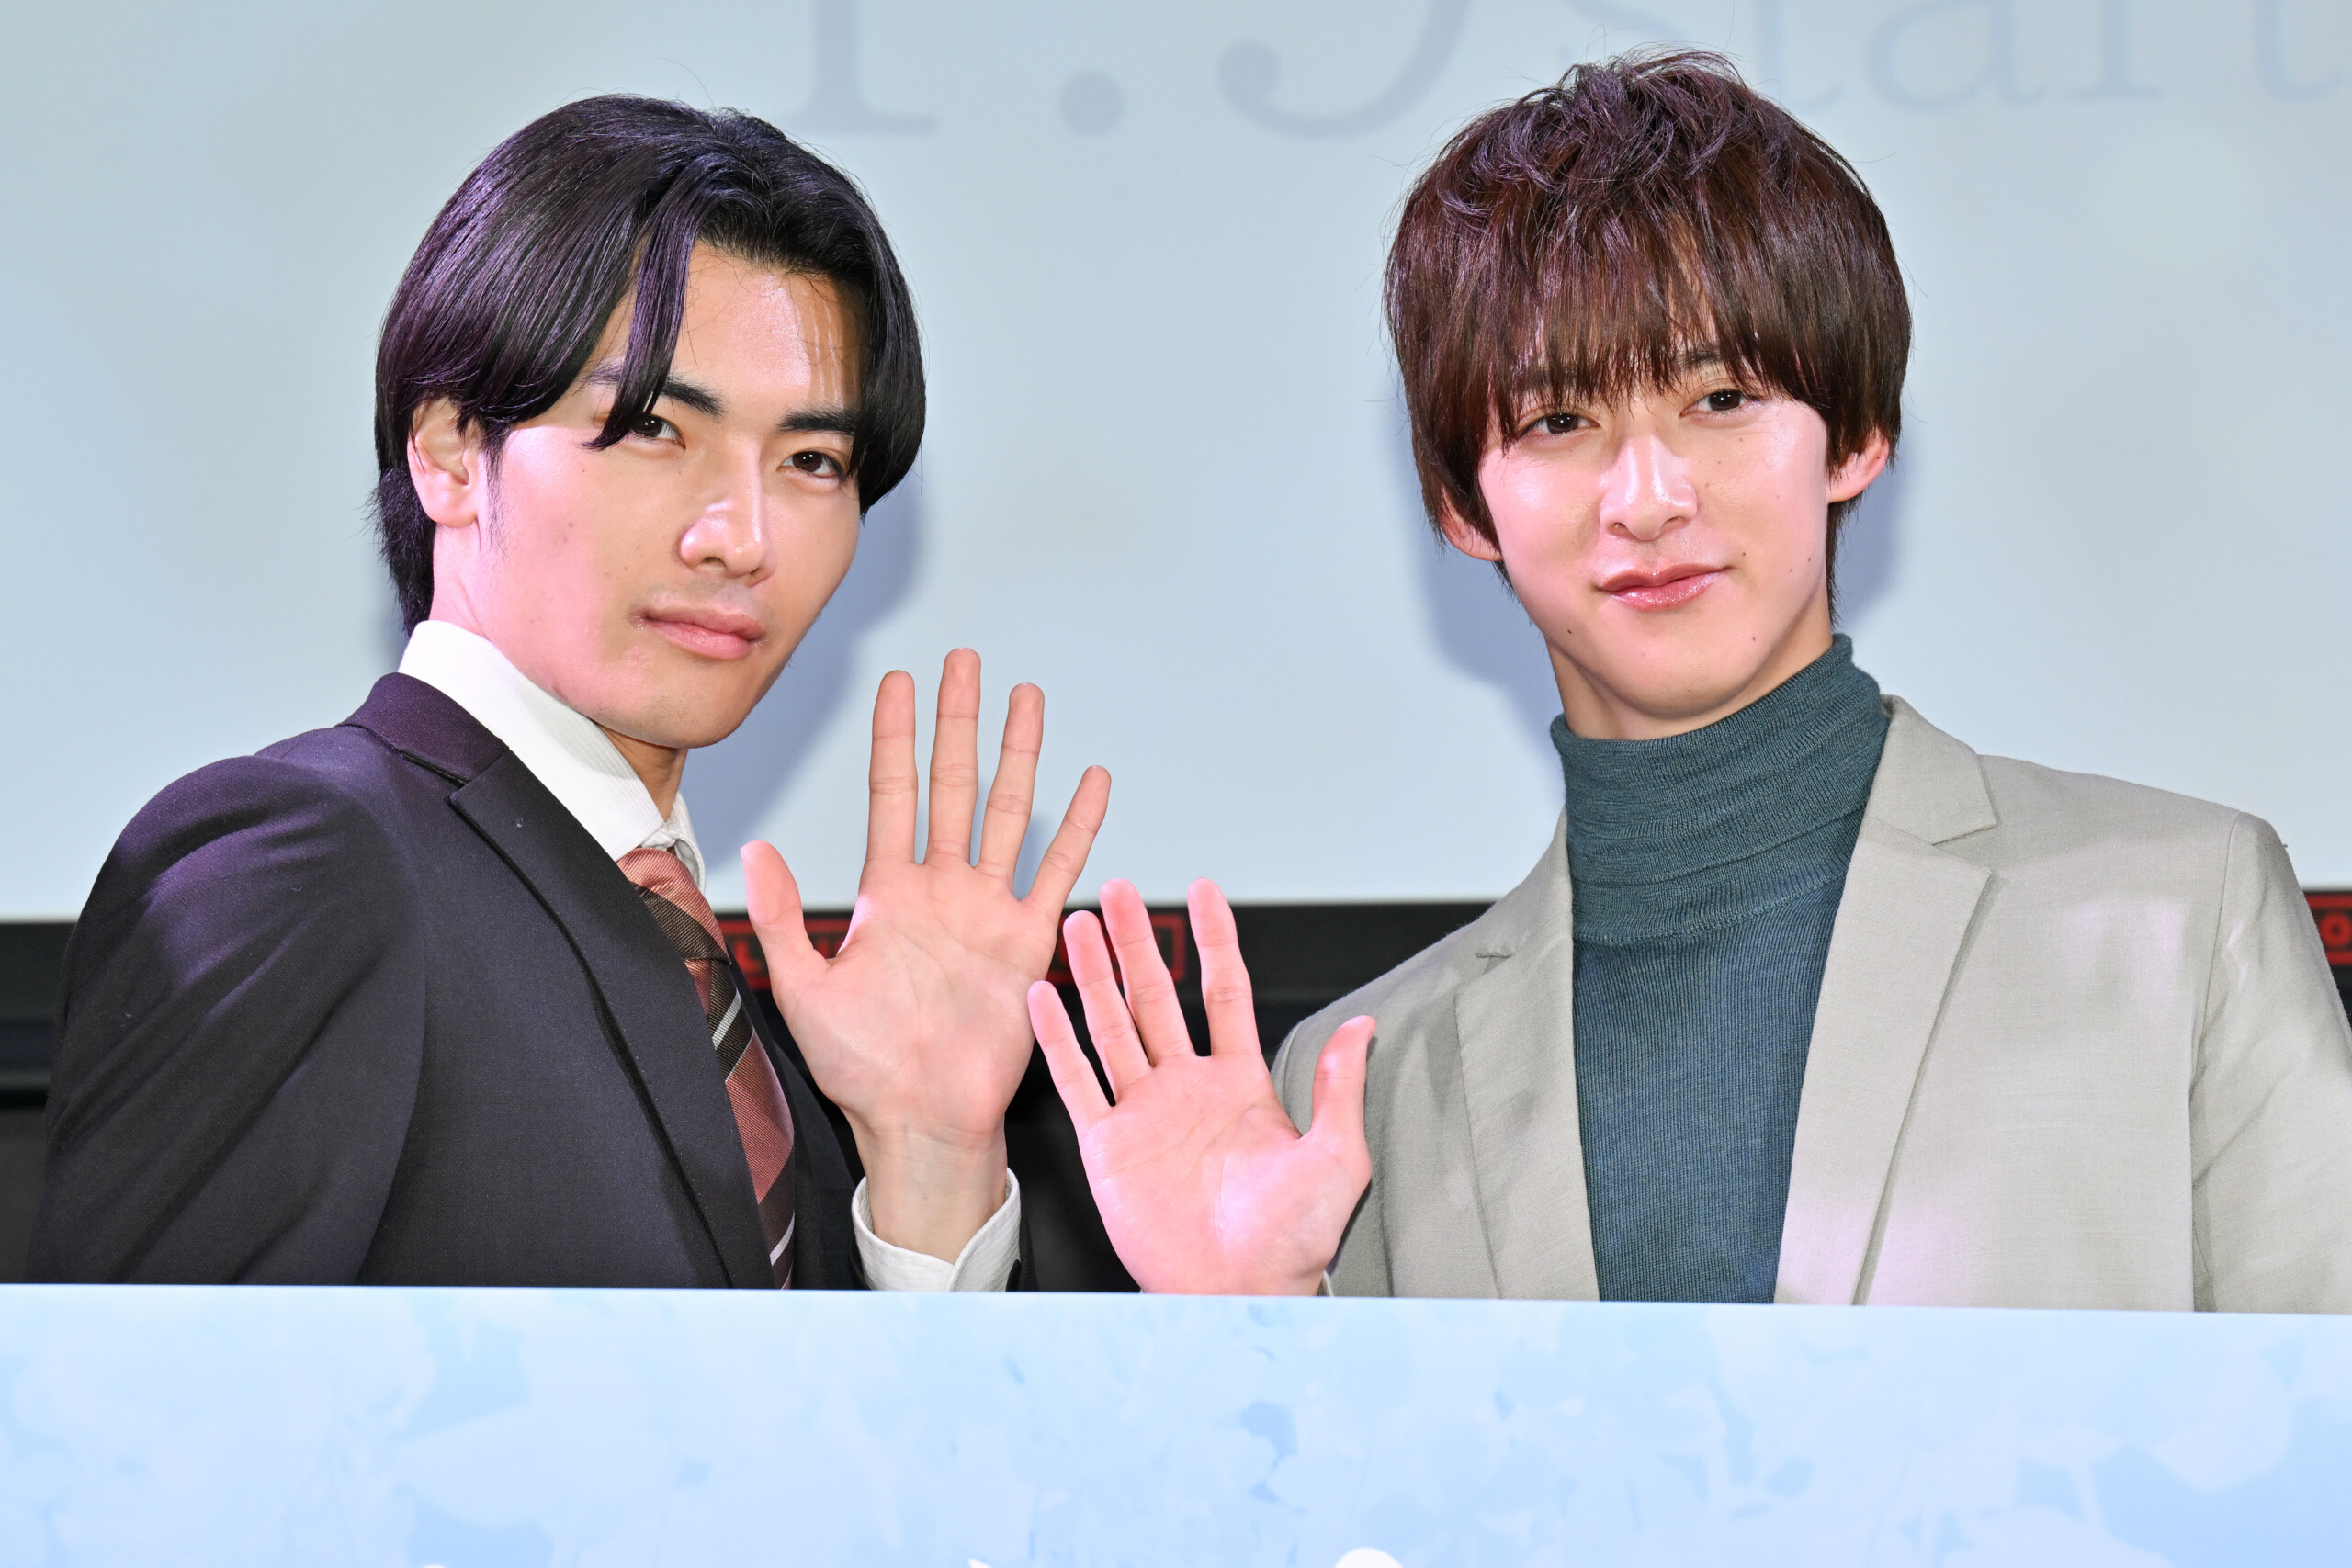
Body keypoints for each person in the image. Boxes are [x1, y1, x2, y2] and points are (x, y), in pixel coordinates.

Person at [1030, 50, 2352, 1309]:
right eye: (1560, 421)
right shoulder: (1361, 1083)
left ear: (1857, 432)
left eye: (1721, 399)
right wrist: (1241, 1325)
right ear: (1462, 505)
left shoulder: (2184, 919)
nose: (1649, 498)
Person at [30, 96, 1109, 1290]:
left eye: (811, 461)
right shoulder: (301, 861)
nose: (743, 537)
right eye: (653, 427)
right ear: (449, 448)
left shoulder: (759, 1026)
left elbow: (825, 1419)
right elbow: (147, 1399)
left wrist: (930, 1157)